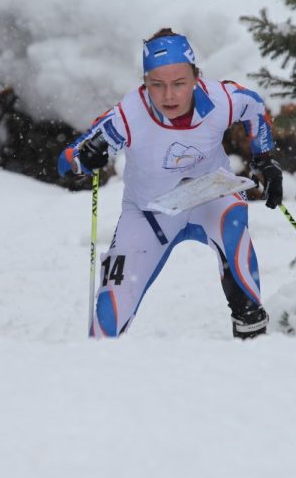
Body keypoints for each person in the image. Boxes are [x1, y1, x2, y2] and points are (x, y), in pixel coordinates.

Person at [58, 28, 283, 339]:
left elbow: (254, 107)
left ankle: (252, 345)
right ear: (145, 83)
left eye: (179, 83)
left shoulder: (221, 99)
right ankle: (99, 377)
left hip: (211, 197)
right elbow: (68, 158)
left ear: (196, 77)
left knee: (234, 236)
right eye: (157, 85)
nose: (169, 96)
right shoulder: (127, 115)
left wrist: (265, 160)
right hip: (151, 212)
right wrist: (84, 159)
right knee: (106, 324)